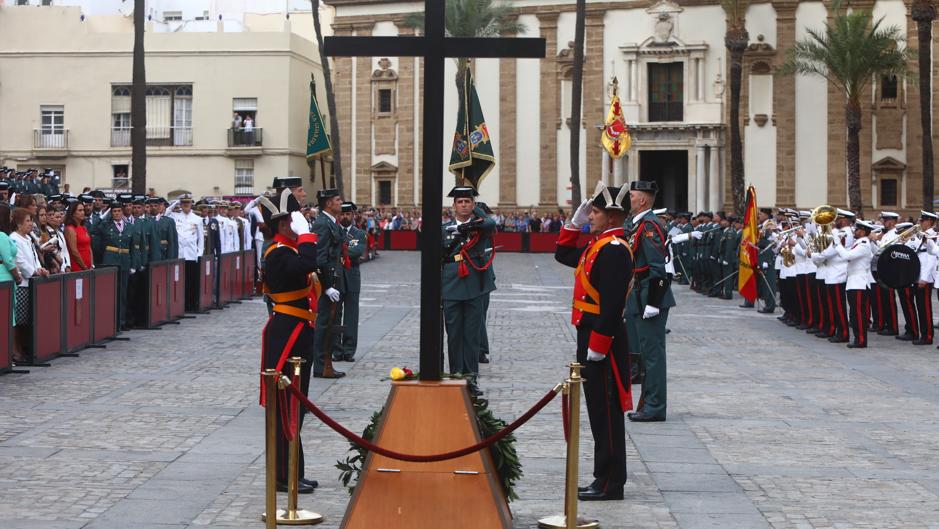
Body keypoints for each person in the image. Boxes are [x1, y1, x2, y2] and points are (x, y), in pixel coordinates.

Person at [555, 183, 633, 502]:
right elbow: (563, 254)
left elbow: (613, 304)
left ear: (612, 216)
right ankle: (603, 476)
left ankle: (611, 481)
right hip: (589, 335)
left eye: (596, 212)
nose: (592, 215)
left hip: (604, 340)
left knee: (607, 411)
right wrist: (572, 225)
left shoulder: (614, 248)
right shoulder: (599, 245)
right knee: (597, 409)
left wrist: (599, 345)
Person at [256, 189, 320, 494]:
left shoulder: (287, 250)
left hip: (296, 329)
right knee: (287, 405)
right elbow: (307, 265)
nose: (301, 223)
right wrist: (306, 235)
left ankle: (294, 471)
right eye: (296, 221)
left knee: (297, 406)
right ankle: (284, 475)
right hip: (288, 334)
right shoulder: (279, 253)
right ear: (284, 226)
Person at [624, 180, 674, 423]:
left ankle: (655, 406)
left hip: (650, 296)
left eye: (632, 196)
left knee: (653, 356)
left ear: (642, 200)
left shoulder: (650, 226)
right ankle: (648, 403)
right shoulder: (638, 225)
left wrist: (654, 301)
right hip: (640, 295)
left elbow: (661, 272)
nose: (629, 199)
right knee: (646, 354)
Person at [441, 187, 496, 395]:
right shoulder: (444, 229)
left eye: (467, 201)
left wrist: (475, 218)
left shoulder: (480, 228)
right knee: (454, 334)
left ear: (473, 205)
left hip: (474, 284)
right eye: (460, 202)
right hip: (450, 284)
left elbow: (491, 224)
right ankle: (456, 375)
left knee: (472, 336)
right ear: (453, 206)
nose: (463, 204)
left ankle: (470, 378)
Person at [311, 188, 346, 379]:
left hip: (335, 279)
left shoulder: (332, 223)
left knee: (330, 324)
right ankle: (320, 365)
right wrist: (326, 286)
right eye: (338, 199)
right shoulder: (323, 224)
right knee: (324, 324)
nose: (341, 202)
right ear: (328, 204)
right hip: (328, 282)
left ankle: (326, 363)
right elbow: (319, 258)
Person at [11, 207, 48, 361]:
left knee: (27, 320)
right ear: (19, 224)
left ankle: (25, 349)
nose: (31, 224)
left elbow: (34, 258)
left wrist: (40, 268)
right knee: (19, 321)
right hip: (22, 284)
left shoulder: (28, 238)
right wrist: (33, 271)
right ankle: (16, 351)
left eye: (31, 220)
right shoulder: (14, 238)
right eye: (27, 221)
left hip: (32, 283)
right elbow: (19, 260)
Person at [97, 196, 137, 330]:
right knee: (110, 292)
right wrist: (106, 213)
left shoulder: (130, 227)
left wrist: (132, 265)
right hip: (110, 260)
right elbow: (95, 228)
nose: (117, 213)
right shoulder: (106, 225)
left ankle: (121, 321)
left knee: (123, 293)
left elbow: (133, 247)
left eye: (119, 211)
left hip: (124, 261)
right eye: (114, 211)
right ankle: (110, 321)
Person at [834, 220, 875, 348]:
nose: (854, 232)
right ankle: (858, 338)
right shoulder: (859, 243)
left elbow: (847, 256)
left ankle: (861, 340)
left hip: (859, 282)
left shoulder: (863, 244)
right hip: (854, 281)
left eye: (857, 230)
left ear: (863, 231)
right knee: (854, 313)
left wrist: (837, 244)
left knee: (858, 314)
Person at [336, 202, 366, 362]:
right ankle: (336, 350)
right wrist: (344, 251)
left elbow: (357, 251)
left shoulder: (359, 233)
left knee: (351, 316)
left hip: (352, 277)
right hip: (337, 277)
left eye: (348, 214)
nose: (344, 217)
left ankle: (348, 350)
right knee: (335, 314)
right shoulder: (334, 231)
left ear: (353, 215)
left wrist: (339, 252)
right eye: (342, 214)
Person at [168, 195, 204, 311]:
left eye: (187, 204)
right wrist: (175, 203)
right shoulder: (175, 216)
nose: (185, 206)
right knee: (178, 281)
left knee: (191, 282)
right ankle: (179, 305)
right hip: (179, 254)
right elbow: (165, 213)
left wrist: (199, 253)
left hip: (191, 254)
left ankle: (191, 304)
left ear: (191, 204)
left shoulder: (197, 219)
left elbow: (201, 239)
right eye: (183, 204)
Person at [0, 204, 22, 358]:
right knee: (8, 315)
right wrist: (17, 275)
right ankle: (9, 352)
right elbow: (7, 259)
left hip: (7, 276)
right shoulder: (2, 236)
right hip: (5, 276)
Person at [64, 201, 93, 271]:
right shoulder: (70, 229)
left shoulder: (83, 227)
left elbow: (89, 247)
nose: (83, 213)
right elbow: (74, 251)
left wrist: (92, 264)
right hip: (78, 266)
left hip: (88, 266)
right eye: (80, 210)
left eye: (83, 210)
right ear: (73, 213)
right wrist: (84, 267)